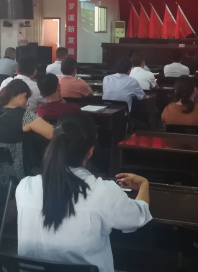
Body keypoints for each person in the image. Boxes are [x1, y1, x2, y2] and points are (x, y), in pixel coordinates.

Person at [16, 114, 151, 272]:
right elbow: (138, 217)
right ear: (90, 151)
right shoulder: (103, 192)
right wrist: (144, 184)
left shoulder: (25, 187)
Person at [0, 79, 54, 191]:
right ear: (22, 95)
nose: (26, 104)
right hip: (14, 179)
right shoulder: (24, 115)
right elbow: (53, 134)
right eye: (26, 99)